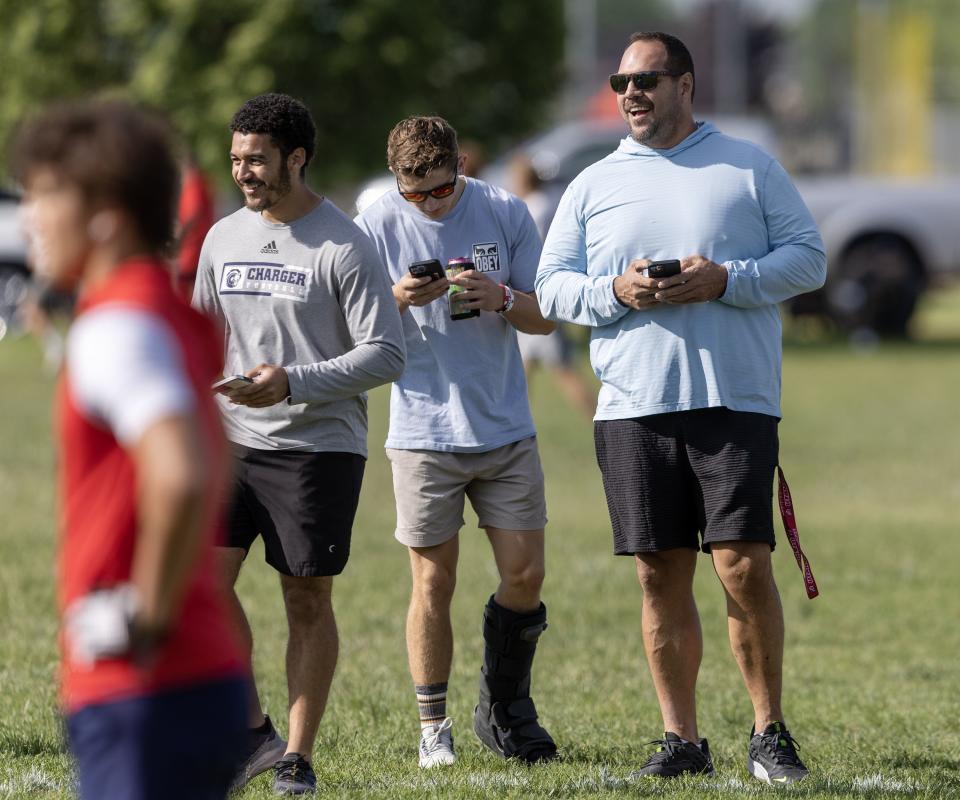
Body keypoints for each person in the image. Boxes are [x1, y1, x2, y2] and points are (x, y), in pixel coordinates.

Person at [536, 31, 826, 785]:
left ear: (686, 85)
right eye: (622, 81)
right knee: (659, 573)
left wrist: (725, 279)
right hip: (632, 404)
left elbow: (808, 258)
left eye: (647, 80)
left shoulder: (748, 165)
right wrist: (615, 293)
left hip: (734, 397)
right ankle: (681, 740)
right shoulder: (594, 183)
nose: (631, 93)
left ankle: (769, 734)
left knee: (741, 564)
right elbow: (554, 286)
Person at [13, 100, 247, 800]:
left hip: (144, 688)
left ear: (105, 214)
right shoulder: (171, 314)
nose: (31, 219)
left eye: (46, 196)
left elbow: (181, 471)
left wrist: (147, 614)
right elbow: (218, 458)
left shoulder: (114, 324)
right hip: (203, 681)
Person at [192, 93, 405, 795]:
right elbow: (198, 334)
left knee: (305, 597)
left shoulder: (345, 244)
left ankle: (297, 754)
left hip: (317, 446)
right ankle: (254, 731)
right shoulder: (222, 237)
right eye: (236, 159)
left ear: (297, 157)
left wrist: (292, 383)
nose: (244, 172)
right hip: (229, 442)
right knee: (201, 584)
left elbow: (386, 354)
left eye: (256, 159)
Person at [355, 116, 559, 768]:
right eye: (414, 195)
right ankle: (432, 728)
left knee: (525, 573)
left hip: (504, 424)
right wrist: (399, 298)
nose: (429, 205)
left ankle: (500, 705)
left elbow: (546, 314)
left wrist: (500, 296)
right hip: (422, 431)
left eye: (440, 191)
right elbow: (350, 324)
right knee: (432, 583)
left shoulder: (504, 209)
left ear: (460, 168)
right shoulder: (376, 221)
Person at [507, 154, 596, 419]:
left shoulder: (530, 208)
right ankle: (512, 420)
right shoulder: (547, 203)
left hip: (535, 295)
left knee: (564, 369)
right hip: (537, 295)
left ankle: (597, 415)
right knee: (523, 369)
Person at [174, 153, 216, 301]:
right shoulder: (199, 183)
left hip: (193, 250)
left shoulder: (194, 184)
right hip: (195, 249)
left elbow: (193, 214)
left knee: (189, 291)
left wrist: (178, 238)